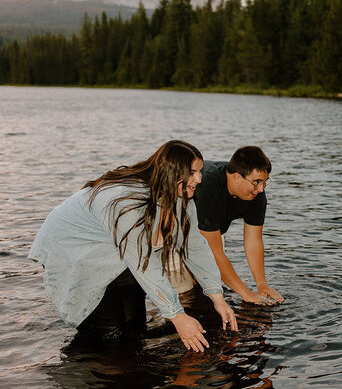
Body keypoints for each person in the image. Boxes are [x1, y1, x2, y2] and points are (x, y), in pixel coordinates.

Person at [28, 140, 236, 352]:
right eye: (192, 172)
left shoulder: (182, 199)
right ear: (171, 172)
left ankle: (130, 372)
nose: (199, 179)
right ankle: (98, 375)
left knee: (134, 327)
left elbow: (195, 247)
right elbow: (142, 260)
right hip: (72, 246)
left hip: (116, 250)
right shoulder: (124, 200)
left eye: (200, 172)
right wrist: (177, 315)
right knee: (108, 332)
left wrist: (217, 297)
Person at [190, 146, 284, 305]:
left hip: (210, 233)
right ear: (236, 177)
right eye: (256, 182)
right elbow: (212, 252)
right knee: (184, 292)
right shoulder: (207, 184)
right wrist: (245, 293)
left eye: (264, 182)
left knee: (207, 289)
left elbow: (253, 241)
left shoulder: (256, 194)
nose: (261, 189)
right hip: (176, 232)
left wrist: (261, 284)